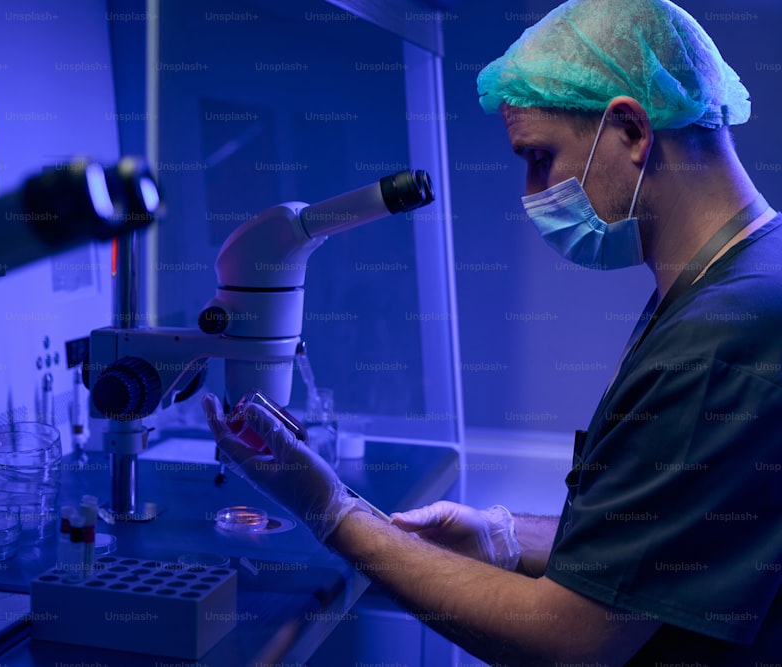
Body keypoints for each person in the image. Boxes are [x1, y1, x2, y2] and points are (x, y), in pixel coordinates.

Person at [204, 0, 782, 663]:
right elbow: (669, 529)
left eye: (539, 157)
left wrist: (329, 508)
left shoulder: (721, 339)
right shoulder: (734, 276)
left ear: (630, 130)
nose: (529, 191)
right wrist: (506, 536)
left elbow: (570, 639)